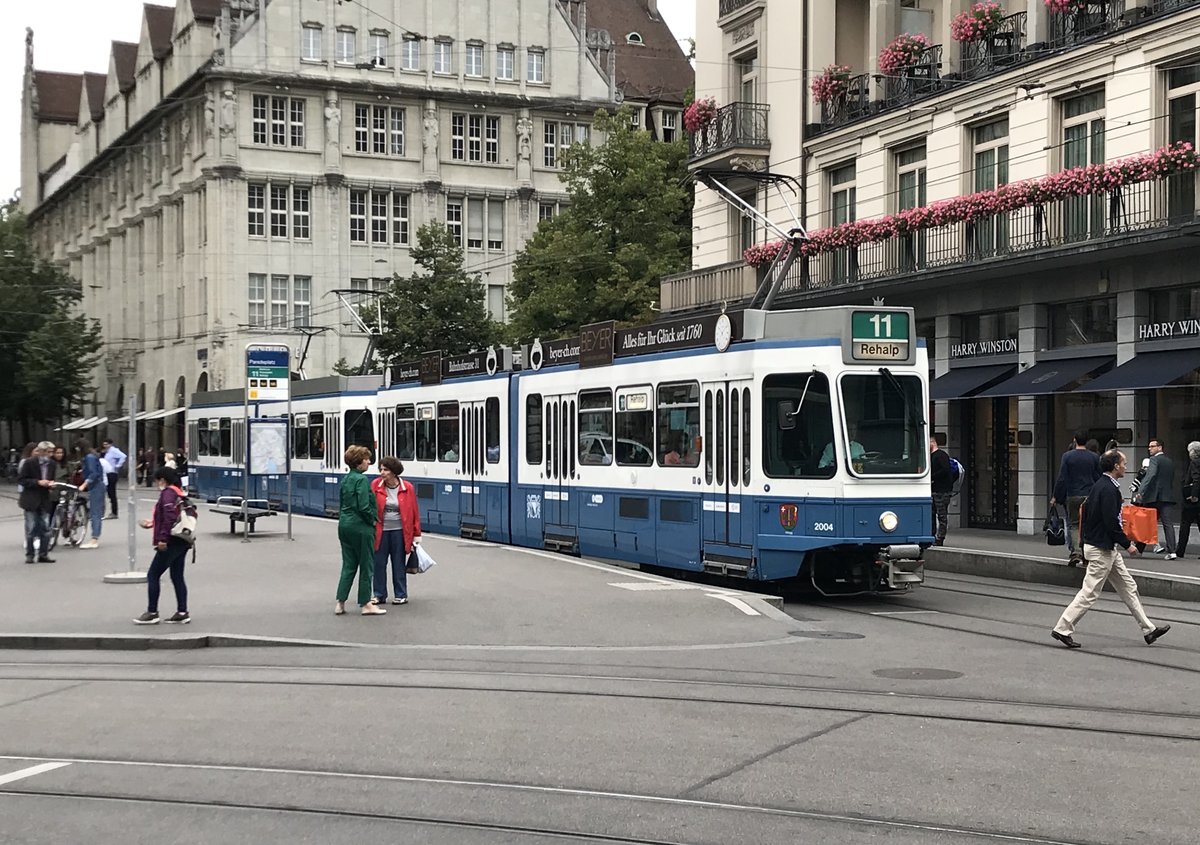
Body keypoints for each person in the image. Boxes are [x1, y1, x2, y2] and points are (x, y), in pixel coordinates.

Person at [1051, 449, 1170, 649]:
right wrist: (1128, 544)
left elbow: (1088, 518)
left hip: (1104, 548)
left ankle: (1148, 630)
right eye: (1123, 463)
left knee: (1128, 587)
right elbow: (1110, 522)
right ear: (1115, 466)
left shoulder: (1100, 486)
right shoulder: (1108, 490)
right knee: (1090, 592)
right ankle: (1062, 628)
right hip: (1102, 549)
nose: (1125, 466)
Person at [132, 467, 192, 625]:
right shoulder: (179, 492)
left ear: (162, 480)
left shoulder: (167, 493)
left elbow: (170, 516)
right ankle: (182, 611)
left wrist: (163, 539)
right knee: (177, 576)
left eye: (157, 480)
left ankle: (152, 612)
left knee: (153, 575)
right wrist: (152, 523)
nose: (157, 484)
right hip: (183, 539)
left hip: (171, 541)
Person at [336, 445, 386, 616]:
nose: (369, 462)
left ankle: (340, 602)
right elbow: (364, 506)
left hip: (344, 525)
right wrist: (372, 520)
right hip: (360, 527)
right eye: (366, 459)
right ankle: (366, 603)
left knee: (348, 565)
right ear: (359, 462)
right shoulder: (362, 480)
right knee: (366, 564)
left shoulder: (346, 479)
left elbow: (343, 503)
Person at [370, 456, 422, 605]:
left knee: (398, 563)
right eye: (381, 469)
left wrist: (416, 534)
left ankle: (401, 593)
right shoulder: (375, 485)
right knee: (378, 563)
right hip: (380, 531)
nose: (382, 472)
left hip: (400, 531)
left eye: (385, 469)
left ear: (394, 472)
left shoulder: (407, 488)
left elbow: (414, 512)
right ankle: (379, 594)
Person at [1049, 430, 1102, 567]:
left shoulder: (1067, 456)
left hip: (1073, 494)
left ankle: (1076, 552)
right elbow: (1098, 477)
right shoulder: (1094, 457)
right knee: (1087, 524)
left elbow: (1062, 478)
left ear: (1075, 440)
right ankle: (1086, 554)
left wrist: (1056, 495)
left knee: (1073, 524)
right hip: (1089, 495)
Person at [1133, 437, 1177, 560]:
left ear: (1159, 447)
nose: (1149, 448)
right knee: (1168, 524)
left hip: (1153, 497)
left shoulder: (1154, 460)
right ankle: (1172, 551)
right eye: (1149, 446)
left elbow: (1150, 476)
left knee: (1146, 523)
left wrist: (1141, 491)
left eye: (1152, 446)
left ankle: (1139, 549)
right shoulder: (1169, 461)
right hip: (1167, 496)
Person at [18, 442, 58, 564]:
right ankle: (30, 555)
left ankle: (43, 554)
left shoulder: (52, 464)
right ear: (41, 451)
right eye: (48, 452)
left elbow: (51, 478)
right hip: (31, 499)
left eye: (52, 452)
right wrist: (38, 482)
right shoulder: (29, 463)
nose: (50, 455)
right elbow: (22, 480)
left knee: (45, 528)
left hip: (44, 499)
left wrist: (51, 484)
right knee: (31, 528)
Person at [75, 439, 105, 549]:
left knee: (95, 512)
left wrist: (84, 484)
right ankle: (94, 537)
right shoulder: (91, 456)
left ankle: (94, 539)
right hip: (97, 485)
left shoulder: (89, 457)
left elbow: (93, 473)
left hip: (95, 486)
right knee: (94, 511)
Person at [1175, 440, 1200, 558]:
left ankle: (1180, 550)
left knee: (1185, 524)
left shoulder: (1194, 462)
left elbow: (1196, 479)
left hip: (1192, 500)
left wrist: (1194, 495)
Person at [929, 435, 954, 546]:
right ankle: (932, 535)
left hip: (942, 490)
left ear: (932, 443)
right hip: (935, 489)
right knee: (933, 514)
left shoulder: (941, 456)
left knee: (941, 514)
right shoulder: (933, 456)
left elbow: (945, 470)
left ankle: (940, 537)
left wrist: (933, 477)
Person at [101, 438, 127, 518]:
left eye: (106, 444)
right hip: (108, 473)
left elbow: (123, 456)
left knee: (112, 493)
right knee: (109, 493)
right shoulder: (107, 452)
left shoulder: (113, 450)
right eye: (104, 444)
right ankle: (112, 512)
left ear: (110, 444)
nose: (105, 446)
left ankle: (114, 512)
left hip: (112, 473)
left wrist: (117, 466)